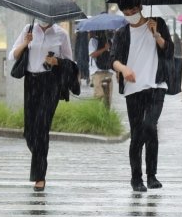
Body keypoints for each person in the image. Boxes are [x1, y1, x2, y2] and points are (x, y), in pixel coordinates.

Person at [111, 0, 175, 193]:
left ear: (140, 7)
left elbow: (170, 51)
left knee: (150, 126)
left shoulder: (158, 23)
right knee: (138, 133)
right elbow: (113, 59)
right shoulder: (121, 34)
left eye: (133, 9)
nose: (130, 13)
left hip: (156, 85)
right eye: (126, 11)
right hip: (133, 89)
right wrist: (124, 69)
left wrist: (157, 36)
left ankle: (152, 175)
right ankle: (136, 178)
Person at [8, 19, 73, 192]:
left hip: (50, 83)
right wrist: (25, 43)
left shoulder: (61, 34)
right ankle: (39, 158)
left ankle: (40, 176)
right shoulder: (28, 29)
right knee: (30, 132)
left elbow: (70, 63)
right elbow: (13, 55)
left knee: (42, 128)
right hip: (31, 82)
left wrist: (56, 62)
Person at [88, 30, 114, 107]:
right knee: (99, 95)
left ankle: (106, 115)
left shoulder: (111, 41)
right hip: (97, 72)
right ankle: (95, 115)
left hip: (109, 71)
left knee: (108, 97)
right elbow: (92, 54)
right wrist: (104, 49)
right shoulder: (93, 41)